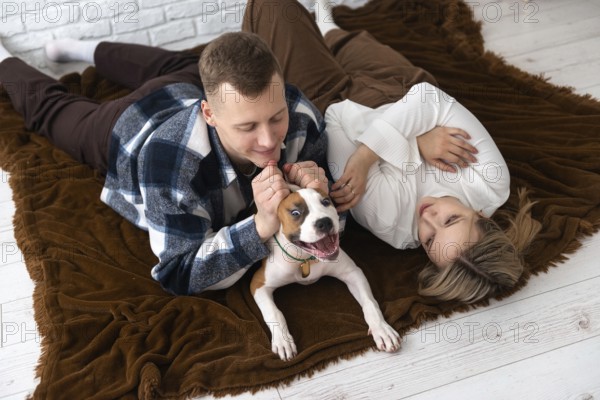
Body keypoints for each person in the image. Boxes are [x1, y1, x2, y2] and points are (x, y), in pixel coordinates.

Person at [243, 0, 541, 304]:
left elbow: (338, 117)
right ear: (481, 215)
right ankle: (327, 26)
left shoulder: (392, 224)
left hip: (332, 96)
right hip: (401, 84)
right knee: (350, 42)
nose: (428, 217)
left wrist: (408, 144)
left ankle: (303, 41)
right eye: (451, 220)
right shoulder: (491, 185)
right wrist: (381, 152)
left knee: (270, 7)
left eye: (429, 239)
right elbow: (426, 96)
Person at [0, 30, 331, 295]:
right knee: (50, 111)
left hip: (180, 86)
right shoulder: (170, 163)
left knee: (184, 63)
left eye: (276, 118)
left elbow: (331, 202)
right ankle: (8, 59)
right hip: (125, 128)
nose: (270, 141)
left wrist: (321, 190)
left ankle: (84, 48)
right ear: (210, 114)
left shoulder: (298, 111)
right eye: (248, 127)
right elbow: (178, 271)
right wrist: (260, 226)